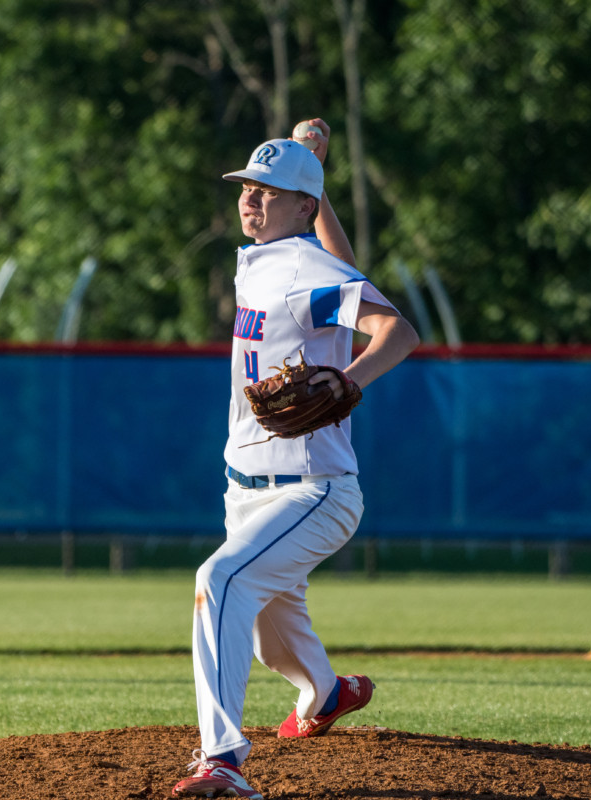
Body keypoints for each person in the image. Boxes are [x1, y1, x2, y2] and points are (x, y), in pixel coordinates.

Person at [172, 119, 420, 800]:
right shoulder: (267, 259)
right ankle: (327, 692)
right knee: (268, 642)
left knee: (220, 582)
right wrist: (306, 169)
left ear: (301, 205)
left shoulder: (303, 266)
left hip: (313, 490)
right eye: (249, 186)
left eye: (269, 190)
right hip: (245, 490)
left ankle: (222, 759)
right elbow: (341, 266)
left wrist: (350, 380)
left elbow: (397, 329)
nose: (251, 198)